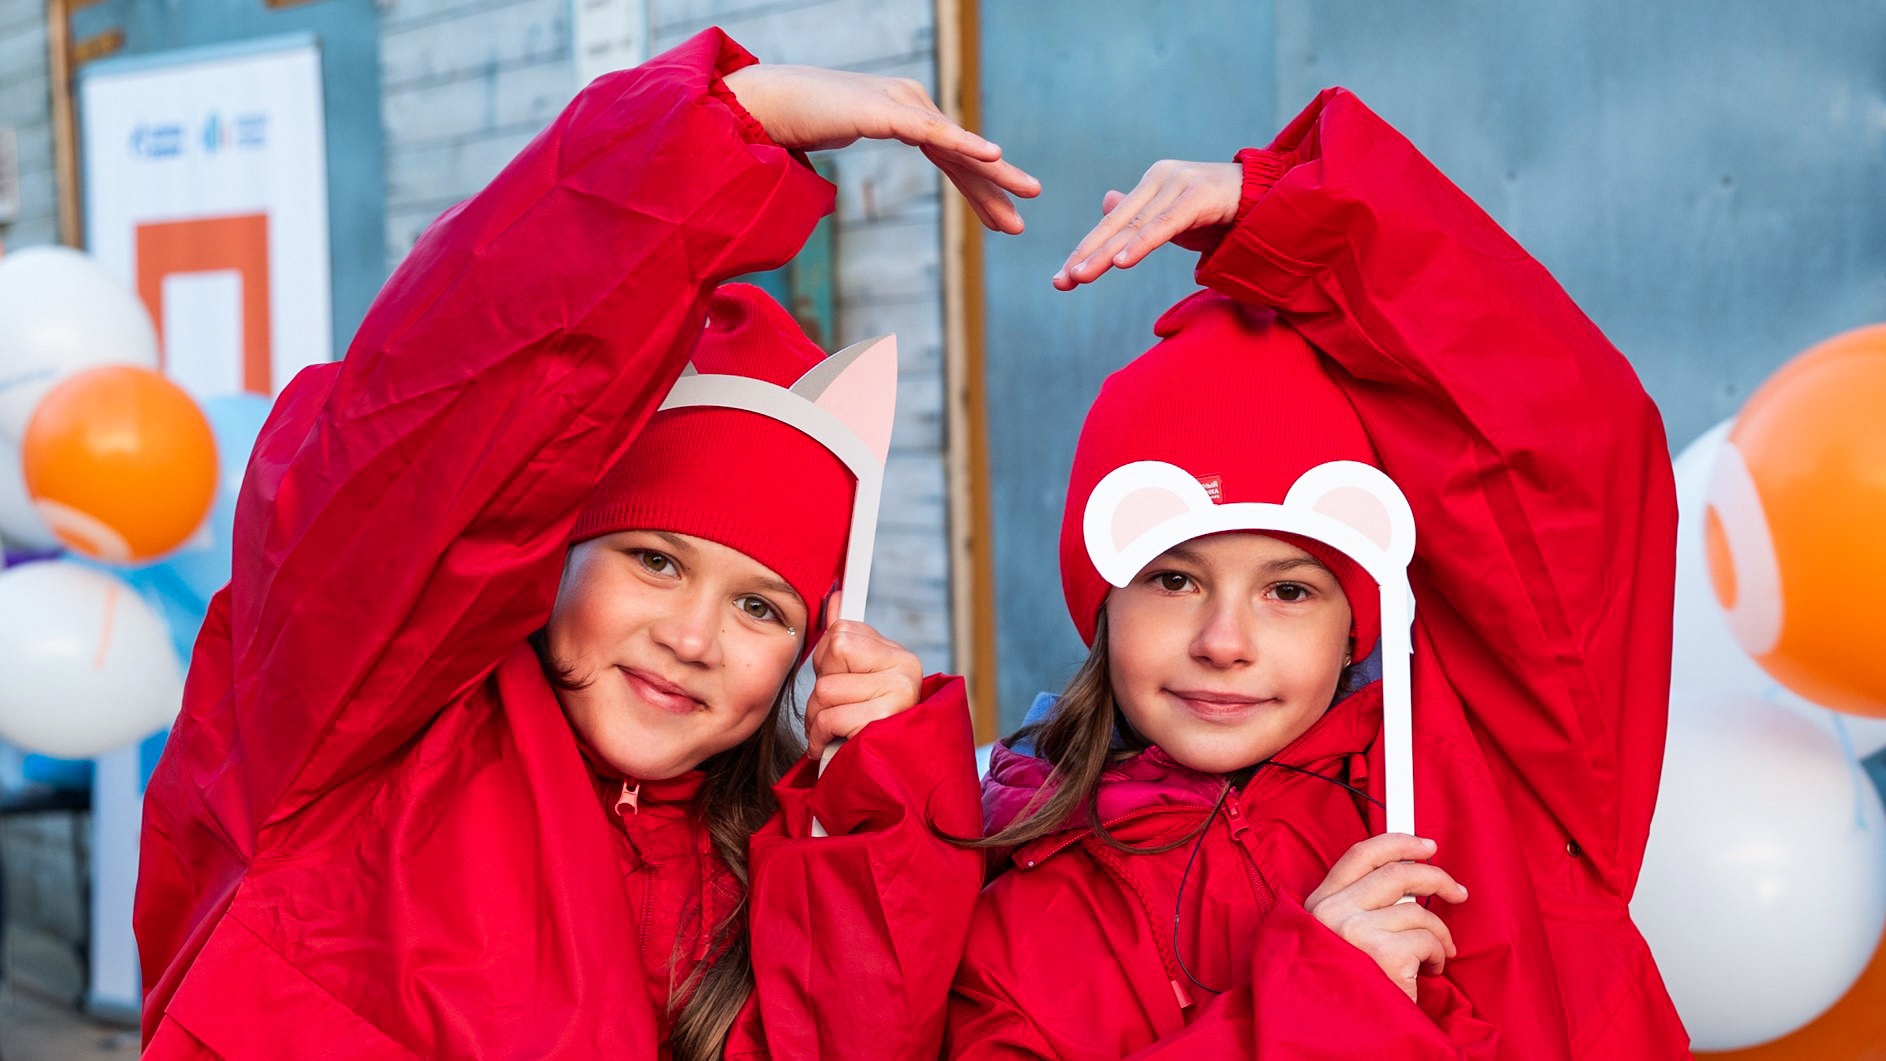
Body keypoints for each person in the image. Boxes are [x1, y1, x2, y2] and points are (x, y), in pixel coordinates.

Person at [133, 29, 1038, 1059]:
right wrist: (715, 136)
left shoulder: (763, 868)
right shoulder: (364, 731)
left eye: (761, 605)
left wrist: (876, 809)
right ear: (545, 549)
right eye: (654, 559)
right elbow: (443, 417)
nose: (692, 636)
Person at [946, 87, 1690, 1058]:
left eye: (1288, 587)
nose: (1223, 640)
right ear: (1103, 593)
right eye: (1173, 579)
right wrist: (1305, 1007)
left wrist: (1306, 223)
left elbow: (1569, 450)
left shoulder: (1496, 784)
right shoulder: (1011, 912)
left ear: (1357, 615)